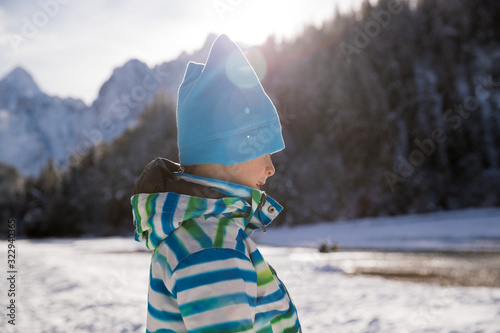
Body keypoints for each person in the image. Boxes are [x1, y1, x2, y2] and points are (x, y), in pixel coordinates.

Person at [131, 34, 301, 333]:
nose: (271, 168)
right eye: (264, 151)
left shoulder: (198, 236)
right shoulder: (212, 246)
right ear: (232, 151)